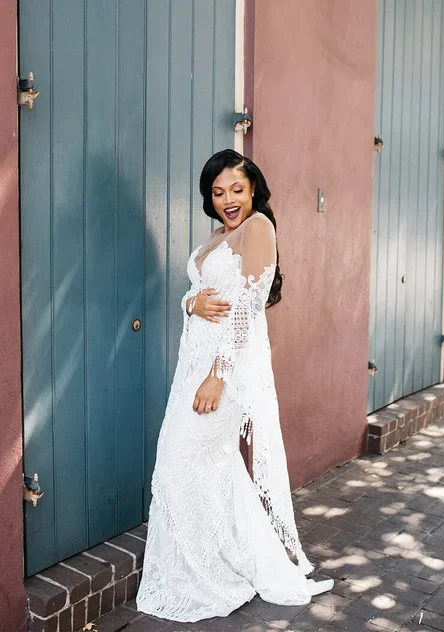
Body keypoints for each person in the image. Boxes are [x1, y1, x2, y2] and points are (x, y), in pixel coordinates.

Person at [137, 150, 333, 621]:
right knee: (213, 468)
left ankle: (209, 575)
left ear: (253, 191)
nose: (228, 199)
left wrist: (218, 376)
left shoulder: (259, 228)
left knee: (179, 462)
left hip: (221, 374)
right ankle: (226, 562)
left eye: (237, 190)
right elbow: (198, 296)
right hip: (195, 368)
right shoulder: (216, 237)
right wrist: (191, 304)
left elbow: (247, 307)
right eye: (218, 191)